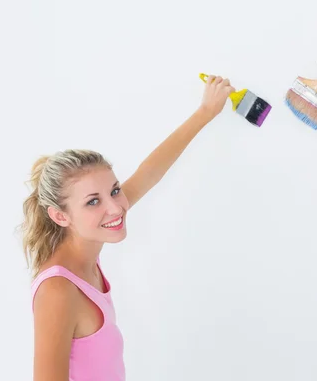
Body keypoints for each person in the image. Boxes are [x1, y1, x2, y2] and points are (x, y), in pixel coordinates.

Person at [20, 75, 235, 381]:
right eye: (93, 202)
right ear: (60, 216)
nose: (116, 207)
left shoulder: (86, 246)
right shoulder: (58, 290)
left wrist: (205, 113)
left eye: (115, 190)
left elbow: (149, 173)